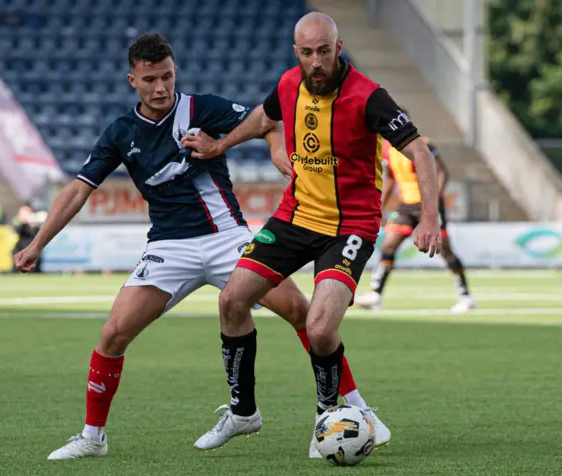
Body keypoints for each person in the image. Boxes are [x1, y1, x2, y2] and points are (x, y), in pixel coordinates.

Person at [13, 32, 382, 460]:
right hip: (170, 247)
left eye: (167, 76)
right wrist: (38, 242)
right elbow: (78, 190)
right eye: (150, 79)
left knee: (303, 313)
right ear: (132, 79)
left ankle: (357, 409)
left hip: (228, 238)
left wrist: (279, 151)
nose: (161, 87)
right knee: (113, 334)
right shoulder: (121, 133)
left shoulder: (201, 109)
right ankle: (92, 437)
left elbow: (268, 119)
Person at [183, 12, 442, 452]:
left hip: (350, 226)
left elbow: (420, 150)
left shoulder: (368, 97)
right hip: (295, 215)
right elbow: (263, 117)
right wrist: (219, 145)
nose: (317, 62)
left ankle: (327, 416)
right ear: (297, 54)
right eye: (308, 53)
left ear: (339, 49)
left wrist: (430, 216)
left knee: (321, 329)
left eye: (325, 51)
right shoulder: (288, 84)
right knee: (232, 299)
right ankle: (243, 413)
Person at [355, 135, 476, 312]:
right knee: (388, 245)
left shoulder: (422, 144)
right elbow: (390, 179)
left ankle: (466, 297)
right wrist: (380, 207)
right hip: (406, 205)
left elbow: (441, 172)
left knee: (445, 250)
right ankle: (376, 295)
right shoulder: (387, 150)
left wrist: (434, 201)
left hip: (427, 203)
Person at [12, 203, 42, 273]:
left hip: (31, 247)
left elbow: (36, 234)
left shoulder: (34, 223)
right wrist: (23, 222)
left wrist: (33, 226)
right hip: (19, 247)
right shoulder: (17, 221)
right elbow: (17, 231)